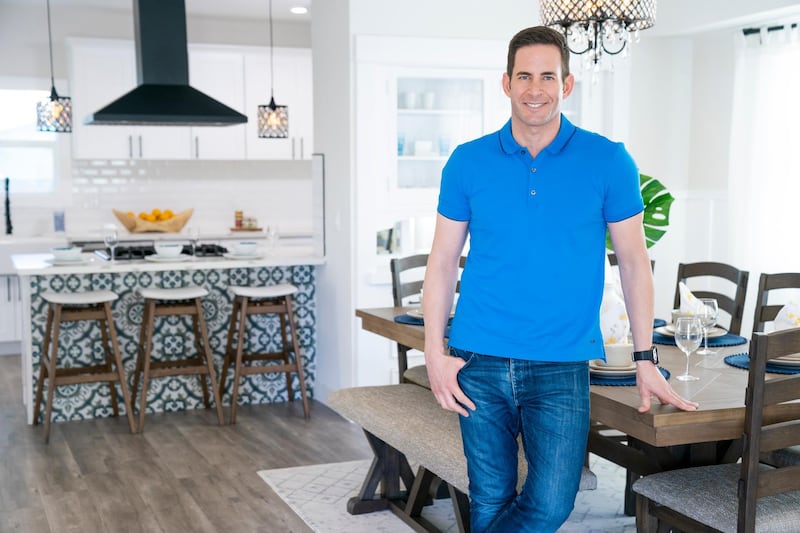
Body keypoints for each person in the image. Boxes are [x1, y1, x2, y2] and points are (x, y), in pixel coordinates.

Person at [422, 26, 699, 533]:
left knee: (552, 502)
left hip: (561, 363)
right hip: (477, 356)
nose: (535, 88)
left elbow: (634, 262)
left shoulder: (608, 159)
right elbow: (441, 263)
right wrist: (433, 354)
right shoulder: (468, 160)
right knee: (488, 499)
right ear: (505, 82)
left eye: (547, 76)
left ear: (566, 84)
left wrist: (644, 357)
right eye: (524, 76)